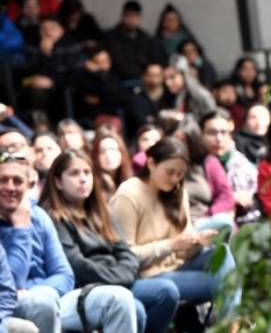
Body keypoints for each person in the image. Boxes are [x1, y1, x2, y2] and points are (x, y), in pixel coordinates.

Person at [0, 141, 140, 333]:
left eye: (17, 181)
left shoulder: (38, 215)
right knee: (42, 302)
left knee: (119, 298)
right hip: (11, 305)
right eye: (3, 180)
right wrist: (21, 230)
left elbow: (64, 274)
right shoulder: (44, 216)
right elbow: (10, 284)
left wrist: (40, 288)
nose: (10, 187)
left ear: (28, 185)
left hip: (52, 295)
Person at [39, 150, 179, 333]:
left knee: (168, 292)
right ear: (57, 182)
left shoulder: (102, 212)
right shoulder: (54, 217)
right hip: (89, 287)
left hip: (120, 278)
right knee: (135, 309)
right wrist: (117, 278)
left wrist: (122, 275)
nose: (83, 179)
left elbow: (125, 252)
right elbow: (76, 264)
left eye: (87, 172)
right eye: (74, 173)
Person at [109, 137, 238, 318]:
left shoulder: (177, 192)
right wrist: (170, 245)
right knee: (223, 283)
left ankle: (233, 322)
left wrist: (198, 242)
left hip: (175, 264)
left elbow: (183, 252)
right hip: (146, 274)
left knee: (222, 252)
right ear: (151, 163)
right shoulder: (129, 194)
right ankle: (232, 322)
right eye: (170, 172)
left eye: (180, 174)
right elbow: (124, 256)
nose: (175, 179)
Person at [175, 118, 235, 234]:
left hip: (203, 220)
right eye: (176, 141)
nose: (180, 147)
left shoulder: (208, 162)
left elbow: (226, 196)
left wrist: (207, 216)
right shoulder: (164, 166)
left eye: (185, 142)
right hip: (176, 225)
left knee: (225, 222)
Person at [201, 110, 261, 225]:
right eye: (212, 133)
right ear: (201, 134)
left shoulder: (243, 164)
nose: (218, 138)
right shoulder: (196, 166)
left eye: (224, 132)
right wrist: (232, 198)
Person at [105, 0, 166, 84]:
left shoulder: (146, 38)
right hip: (120, 80)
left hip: (147, 80)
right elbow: (117, 62)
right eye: (129, 16)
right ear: (122, 16)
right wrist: (141, 75)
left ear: (140, 18)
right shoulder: (111, 37)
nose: (132, 20)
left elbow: (154, 59)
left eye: (135, 16)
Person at [124, 62, 166, 140]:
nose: (154, 79)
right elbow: (141, 122)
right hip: (142, 138)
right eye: (150, 75)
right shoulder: (136, 97)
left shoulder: (168, 95)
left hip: (165, 136)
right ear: (144, 76)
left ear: (162, 77)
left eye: (157, 75)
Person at [90, 126, 133, 195]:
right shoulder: (91, 182)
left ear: (121, 153)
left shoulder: (130, 180)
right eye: (102, 152)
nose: (108, 155)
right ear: (96, 156)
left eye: (112, 150)